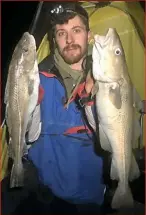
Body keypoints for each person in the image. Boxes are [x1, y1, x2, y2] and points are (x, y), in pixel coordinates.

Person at [2, 3, 107, 215]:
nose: (69, 40)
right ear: (54, 40)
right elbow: (29, 139)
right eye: (61, 33)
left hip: (86, 200)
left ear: (89, 35)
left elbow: (114, 141)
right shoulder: (37, 78)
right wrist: (28, 106)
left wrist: (91, 98)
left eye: (76, 31)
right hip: (39, 192)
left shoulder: (108, 77)